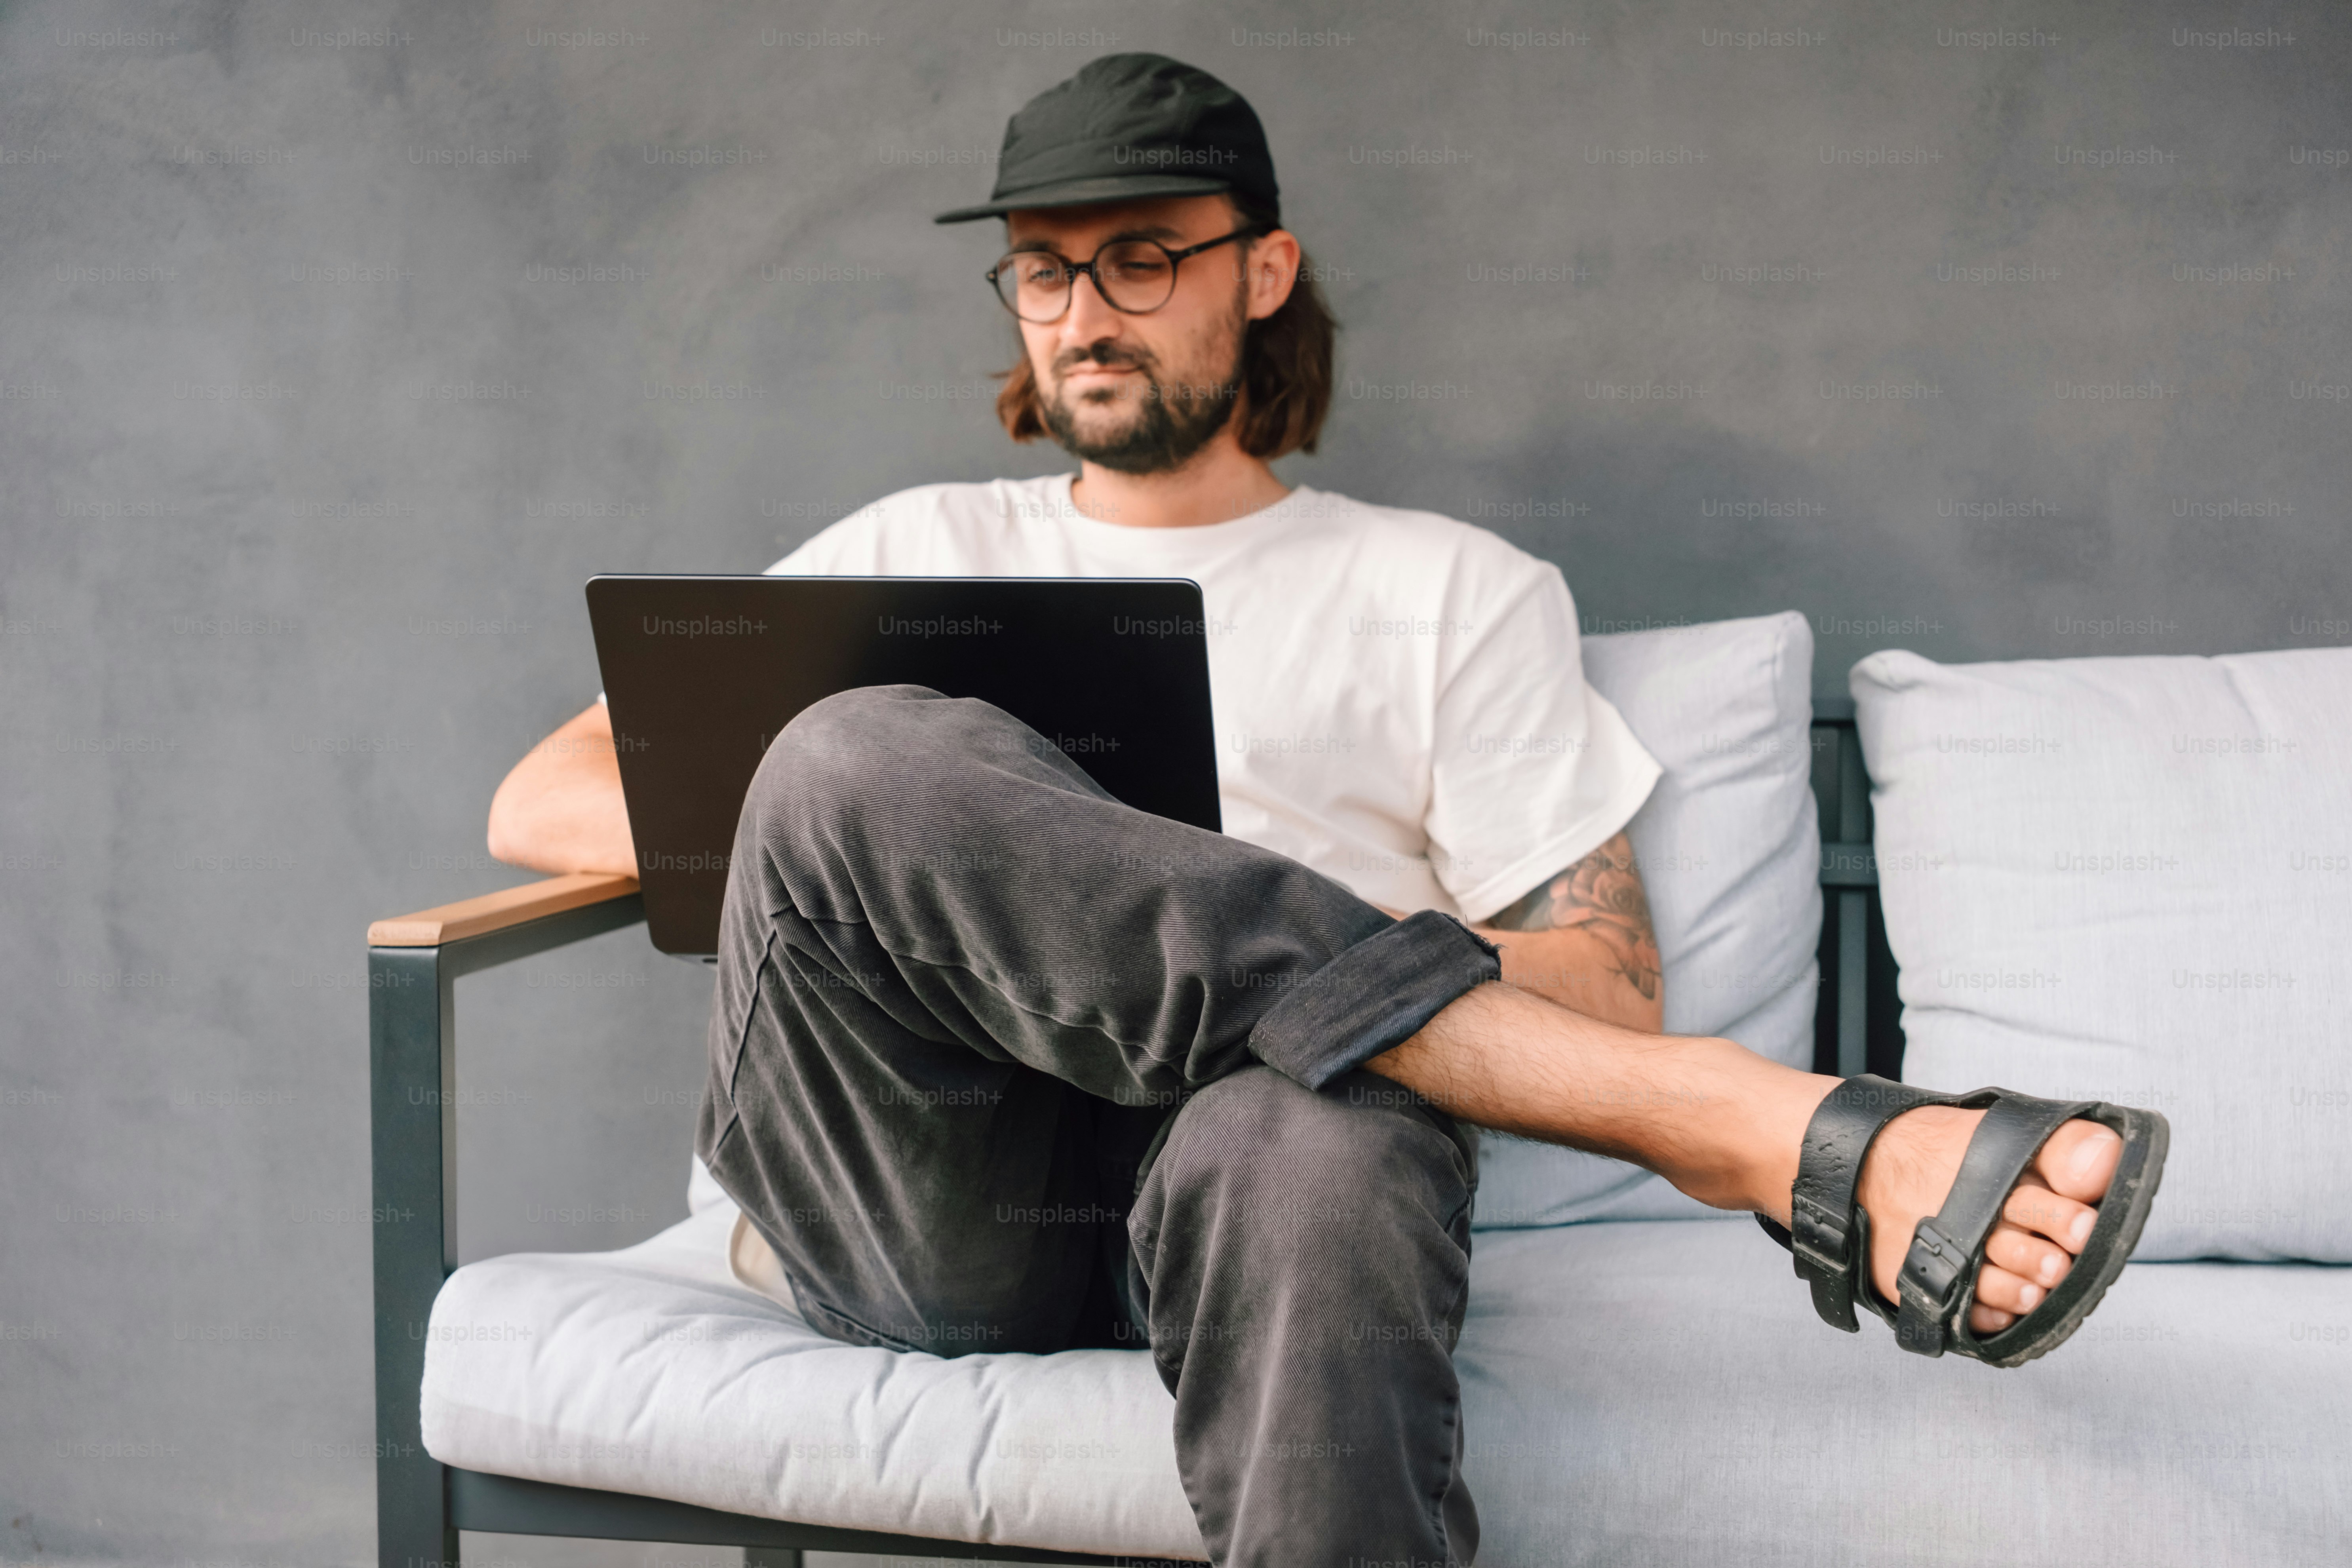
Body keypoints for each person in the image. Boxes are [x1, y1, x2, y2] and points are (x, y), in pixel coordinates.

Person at [486, 54, 2147, 1568]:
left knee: (1323, 1113)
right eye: (1046, 271)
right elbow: (540, 798)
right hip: (920, 1187)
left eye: (1141, 258)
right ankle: (1746, 1125)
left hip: (1257, 1185)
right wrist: (997, 849)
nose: (1083, 312)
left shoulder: (1451, 591)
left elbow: (1604, 976)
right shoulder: (905, 545)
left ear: (1263, 269)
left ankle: (1537, 1079)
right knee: (852, 759)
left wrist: (1240, 973)